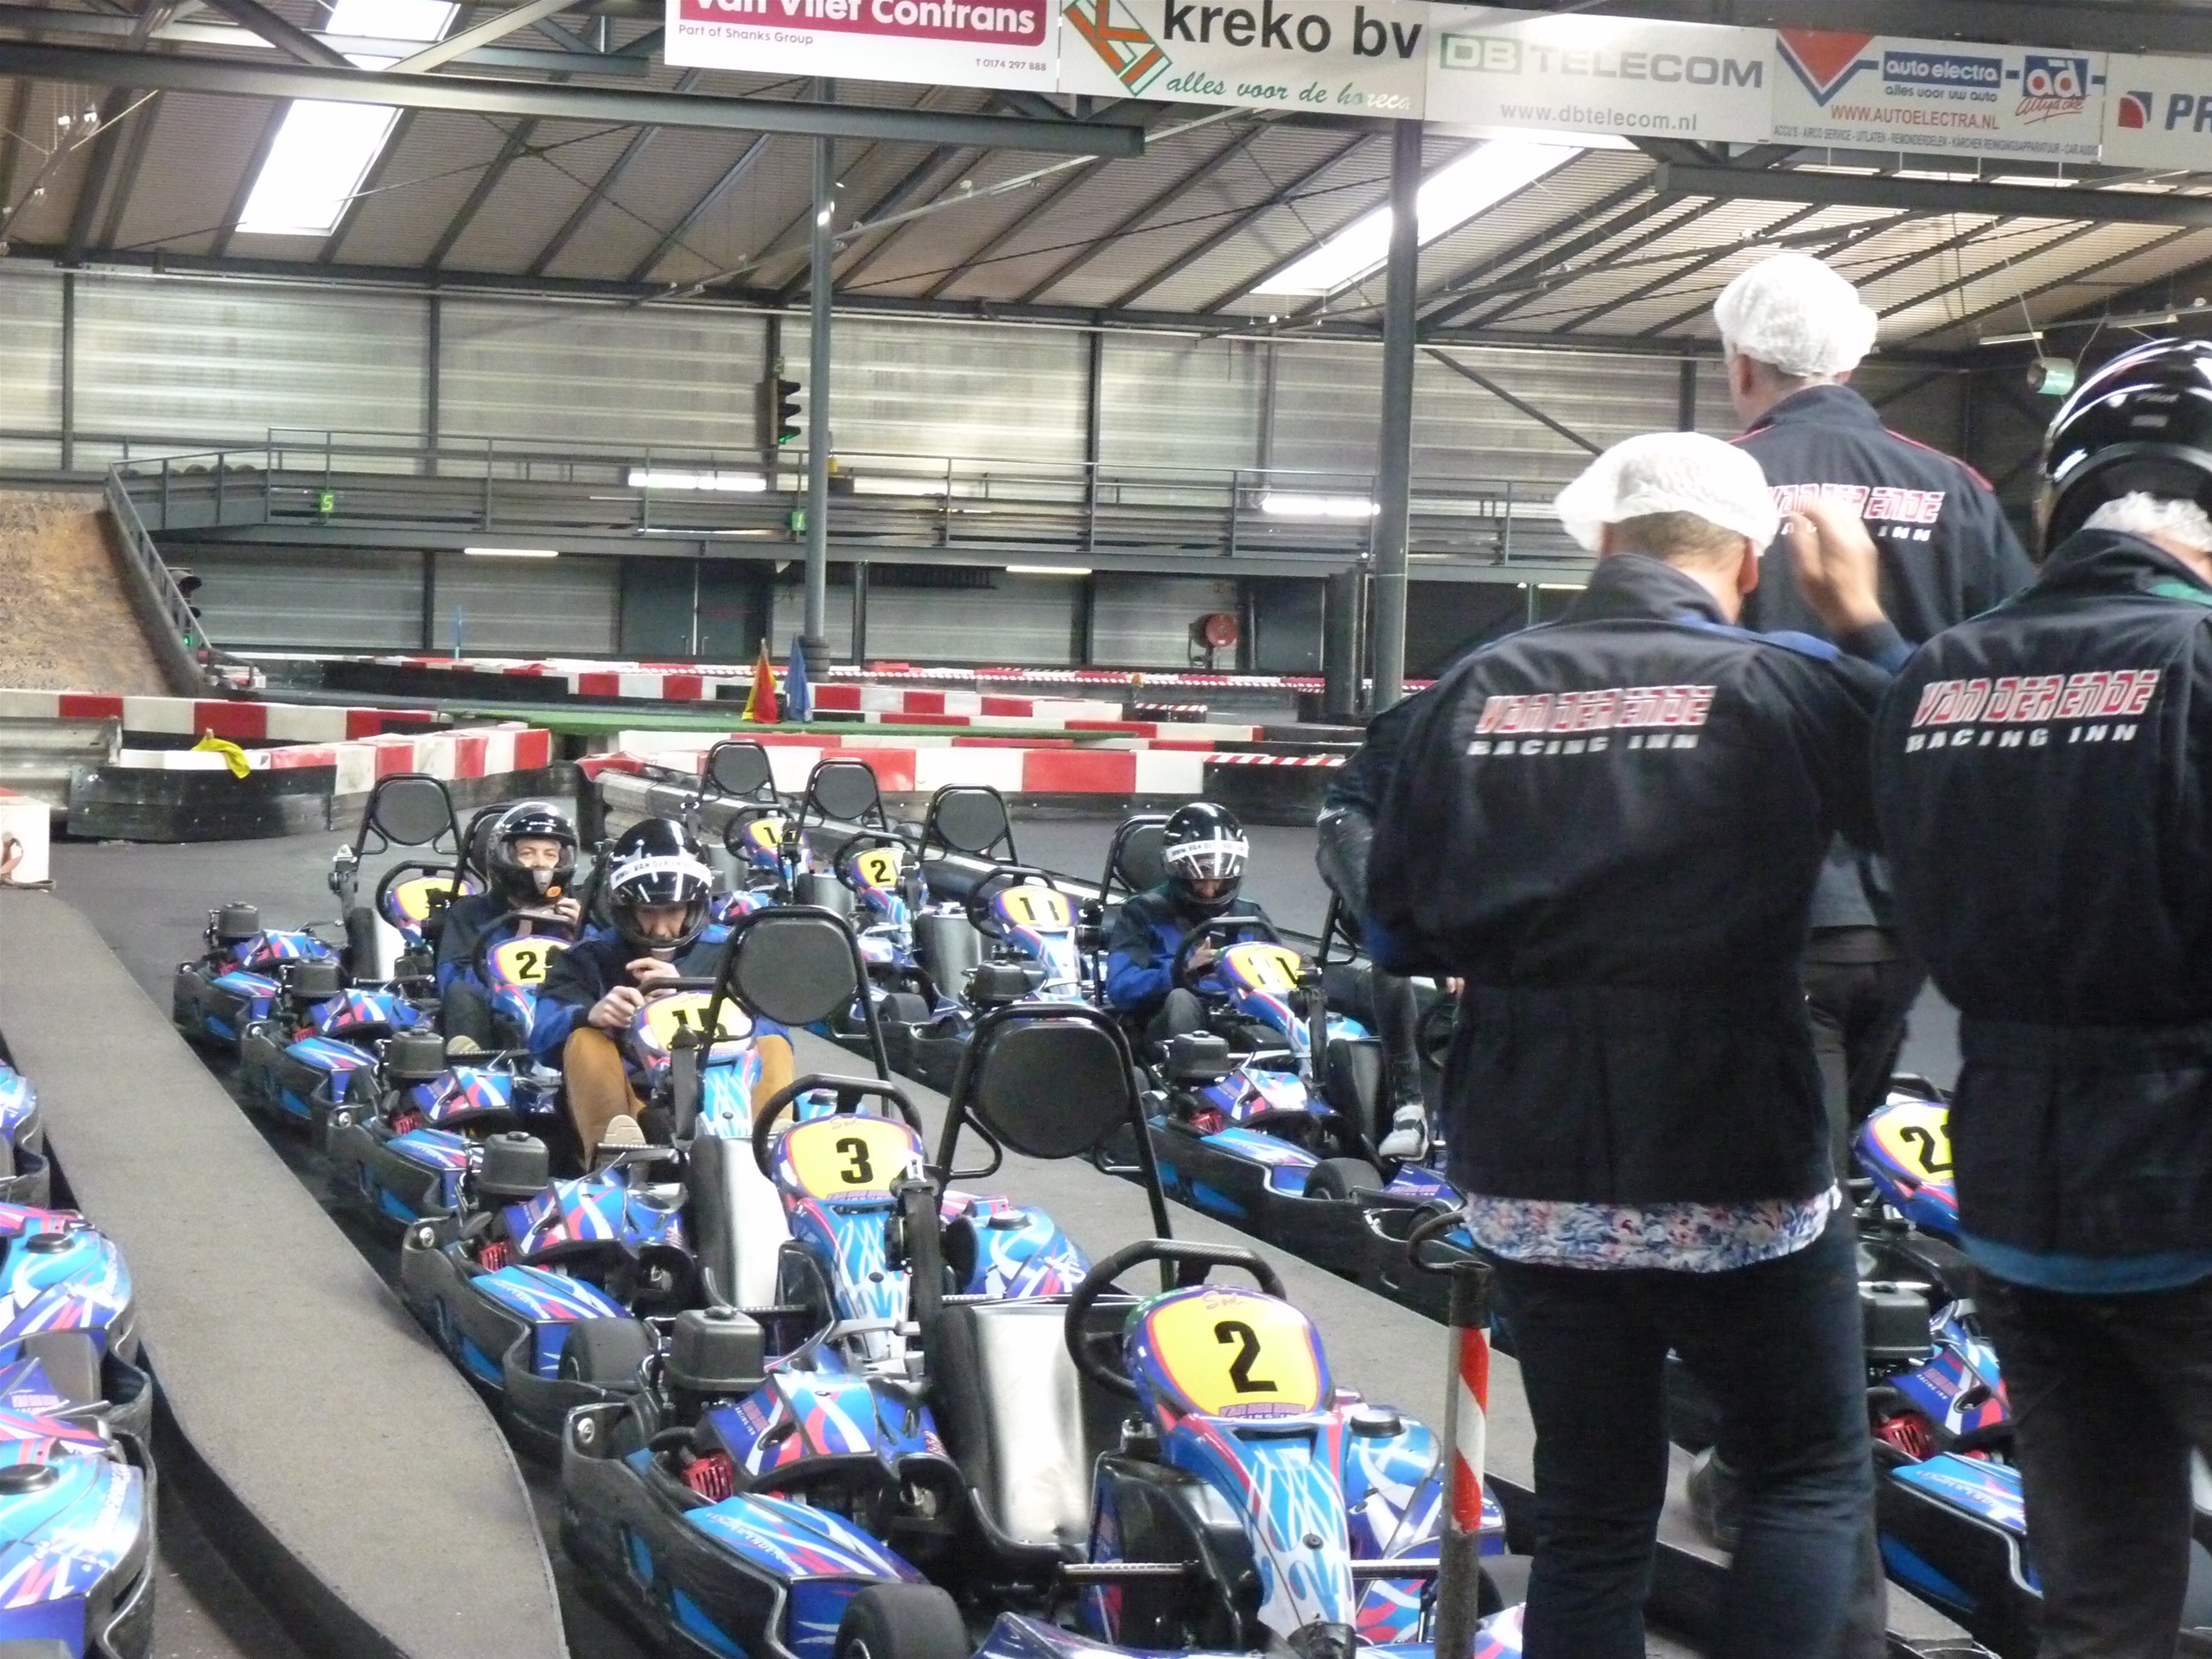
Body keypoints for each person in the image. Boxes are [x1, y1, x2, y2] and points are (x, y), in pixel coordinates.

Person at [1368, 432, 1906, 1659]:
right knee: (1805, 1474)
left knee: (1593, 1509)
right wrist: (1868, 626)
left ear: (1603, 540)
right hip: (1735, 1143)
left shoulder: (1472, 688)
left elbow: (1397, 929)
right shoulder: (1786, 678)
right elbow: (1947, 798)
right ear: (1751, 562)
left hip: (1530, 1155)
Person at [1872, 338, 2212, 1659]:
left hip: (2019, 1194)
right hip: (2188, 1182)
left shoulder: (1931, 679)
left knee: (2100, 1593)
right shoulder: (2198, 662)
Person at [1719, 249, 2037, 1177]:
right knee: (1832, 1151)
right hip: (1912, 892)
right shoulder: (1958, 490)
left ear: (1742, 362)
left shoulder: (1710, 487)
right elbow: (2013, 675)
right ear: (1853, 359)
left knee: (1771, 1172)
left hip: (1748, 891)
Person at [531, 817, 753, 1164]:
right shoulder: (590, 956)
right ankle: (615, 1156)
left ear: (694, 906)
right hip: (632, 1098)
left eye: (673, 910)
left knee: (773, 1043)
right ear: (626, 909)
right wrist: (589, 1016)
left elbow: (770, 1027)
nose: (661, 929)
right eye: (648, 912)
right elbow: (540, 1039)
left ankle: (770, 1138)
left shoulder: (731, 953)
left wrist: (686, 996)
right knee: (585, 1039)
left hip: (724, 1097)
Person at [1318, 705, 1435, 1159]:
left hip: (1421, 827)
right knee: (1394, 939)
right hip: (1355, 818)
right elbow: (1380, 726)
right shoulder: (1453, 707)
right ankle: (1409, 1108)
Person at [1104, 802, 1273, 1044]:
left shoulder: (1250, 915)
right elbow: (1120, 988)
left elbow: (1280, 977)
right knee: (1181, 1000)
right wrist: (1184, 971)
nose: (1209, 891)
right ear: (1178, 868)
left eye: (1218, 878)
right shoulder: (1142, 912)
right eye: (1200, 878)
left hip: (1238, 1017)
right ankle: (1193, 1068)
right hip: (1166, 1027)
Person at [435, 800, 580, 1051]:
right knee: (461, 993)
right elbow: (451, 975)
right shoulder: (471, 912)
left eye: (550, 855)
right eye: (528, 853)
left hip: (558, 1013)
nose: (540, 863)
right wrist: (501, 982)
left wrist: (582, 932)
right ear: (506, 857)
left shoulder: (576, 916)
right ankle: (472, 1065)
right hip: (495, 1015)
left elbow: (604, 974)